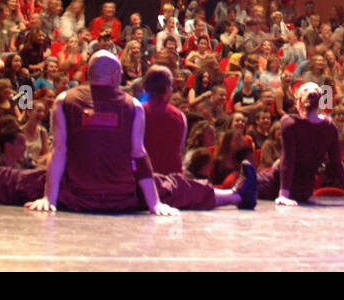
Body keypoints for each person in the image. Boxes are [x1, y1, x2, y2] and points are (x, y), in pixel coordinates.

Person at [24, 52, 256, 215]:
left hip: (75, 195)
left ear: (88, 74)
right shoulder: (133, 106)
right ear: (116, 76)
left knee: (17, 180)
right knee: (174, 186)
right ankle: (235, 196)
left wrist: (49, 199)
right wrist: (154, 203)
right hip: (122, 196)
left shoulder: (64, 100)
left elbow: (59, 150)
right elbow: (139, 155)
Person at [255, 82, 344, 206]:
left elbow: (337, 163)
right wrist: (283, 195)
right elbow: (288, 159)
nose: (311, 91)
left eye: (315, 89)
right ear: (298, 100)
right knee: (244, 184)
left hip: (302, 191)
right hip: (274, 183)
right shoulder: (289, 122)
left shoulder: (328, 126)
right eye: (306, 89)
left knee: (244, 187)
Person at [141, 66, 188, 175]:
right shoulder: (180, 116)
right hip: (172, 177)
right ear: (168, 88)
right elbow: (180, 148)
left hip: (143, 175)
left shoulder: (137, 110)